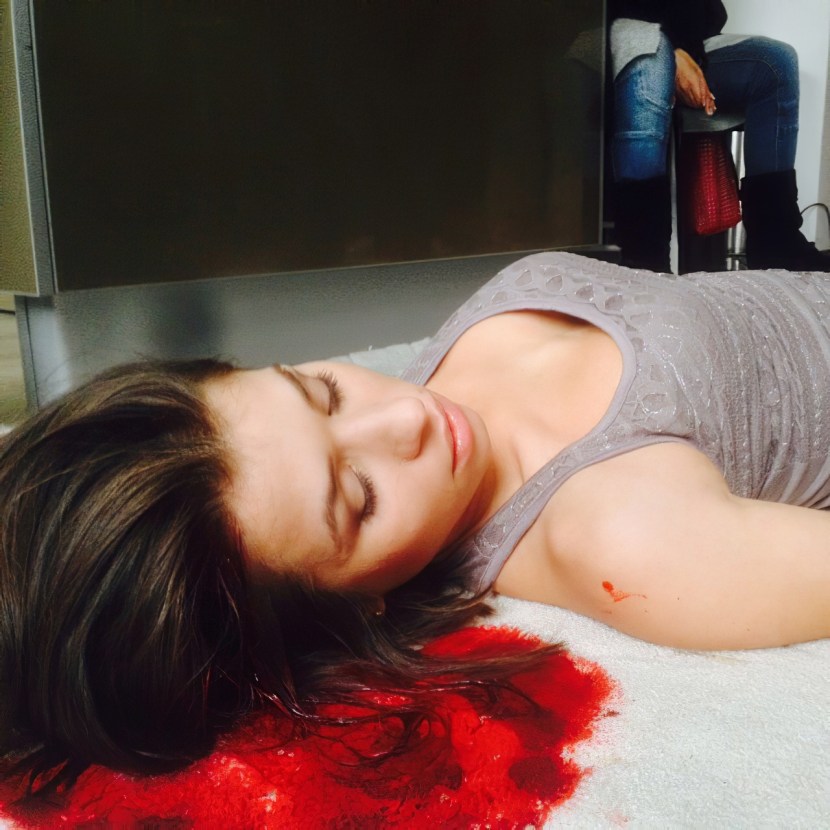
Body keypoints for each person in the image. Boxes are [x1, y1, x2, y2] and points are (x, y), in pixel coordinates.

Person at [2, 252, 829, 789]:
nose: (405, 417)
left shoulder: (437, 382)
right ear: (355, 604)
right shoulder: (621, 542)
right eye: (359, 497)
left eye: (321, 391)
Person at [608, 0, 830, 273]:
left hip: (686, 38)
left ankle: (776, 245)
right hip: (607, 22)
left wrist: (682, 46)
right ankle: (644, 259)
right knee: (652, 56)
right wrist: (674, 50)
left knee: (775, 63)